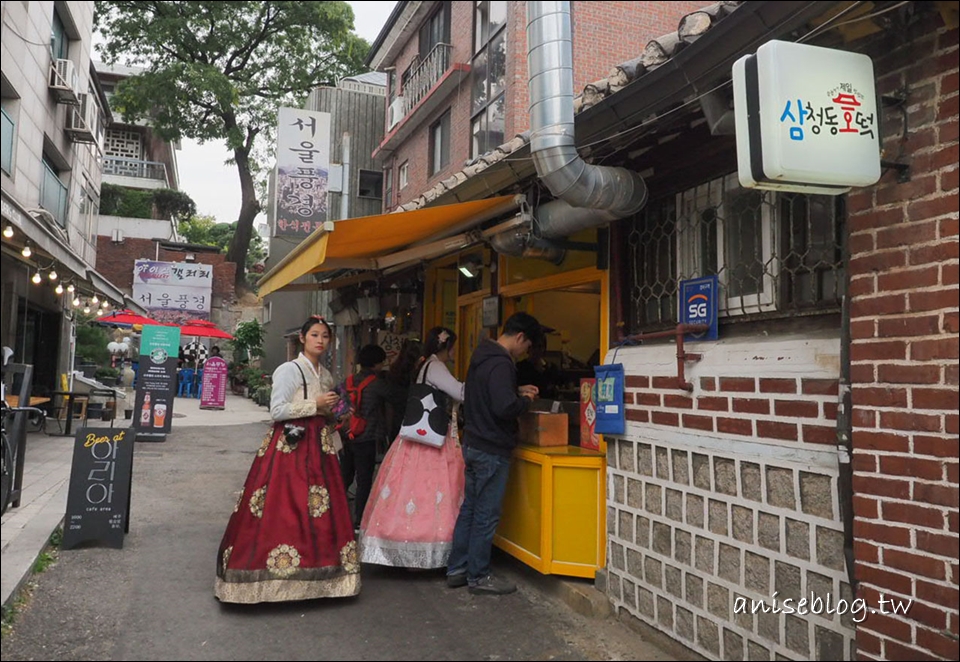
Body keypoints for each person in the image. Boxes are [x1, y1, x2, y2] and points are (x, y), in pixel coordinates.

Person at [214, 315, 359, 603]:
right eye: (315, 335)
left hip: (320, 446)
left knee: (321, 505)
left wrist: (335, 410)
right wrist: (315, 404)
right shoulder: (288, 370)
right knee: (284, 505)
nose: (320, 340)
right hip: (290, 446)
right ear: (302, 338)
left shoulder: (326, 375)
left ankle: (320, 574)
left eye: (325, 336)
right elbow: (277, 410)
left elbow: (324, 411)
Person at [446, 312, 542, 595]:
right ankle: (478, 576)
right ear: (520, 337)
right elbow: (503, 408)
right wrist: (523, 400)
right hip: (491, 448)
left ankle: (457, 569)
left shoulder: (481, 356)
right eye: (527, 347)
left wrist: (515, 390)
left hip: (473, 443)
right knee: (486, 514)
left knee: (470, 509)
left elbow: (487, 395)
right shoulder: (502, 363)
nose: (526, 353)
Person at [360, 327, 466, 568]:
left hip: (415, 435)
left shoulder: (423, 363)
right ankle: (425, 545)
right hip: (432, 438)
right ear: (446, 346)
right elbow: (459, 392)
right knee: (431, 490)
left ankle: (404, 543)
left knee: (408, 490)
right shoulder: (436, 366)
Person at [338, 344, 400, 530]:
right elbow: (396, 398)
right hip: (367, 436)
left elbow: (334, 402)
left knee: (345, 476)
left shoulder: (347, 381)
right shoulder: (377, 383)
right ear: (377, 363)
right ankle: (359, 521)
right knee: (364, 479)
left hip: (346, 435)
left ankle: (335, 513)